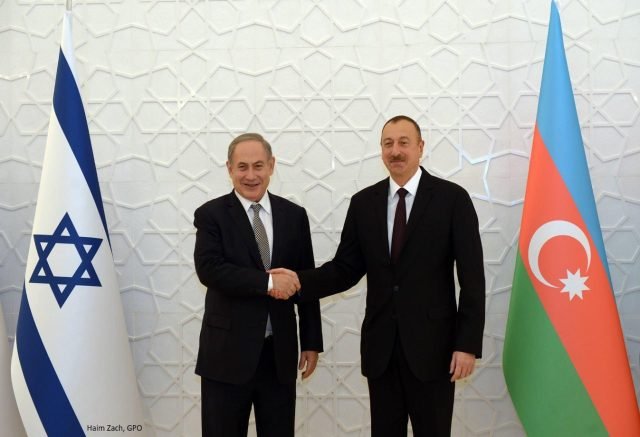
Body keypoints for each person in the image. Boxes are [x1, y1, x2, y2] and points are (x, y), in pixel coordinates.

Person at [270, 116, 485, 436]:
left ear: (420, 147)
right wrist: (297, 281)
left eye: (403, 143)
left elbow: (472, 279)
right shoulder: (363, 203)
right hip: (381, 350)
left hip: (434, 350)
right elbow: (344, 270)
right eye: (388, 143)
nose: (395, 151)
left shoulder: (452, 199)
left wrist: (466, 345)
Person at [193, 133, 323, 437]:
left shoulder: (294, 216)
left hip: (279, 356)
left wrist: (311, 340)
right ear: (229, 168)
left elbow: (304, 279)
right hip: (226, 357)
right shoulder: (211, 215)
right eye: (242, 167)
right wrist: (268, 282)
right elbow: (210, 270)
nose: (250, 175)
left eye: (258, 165)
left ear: (271, 166)